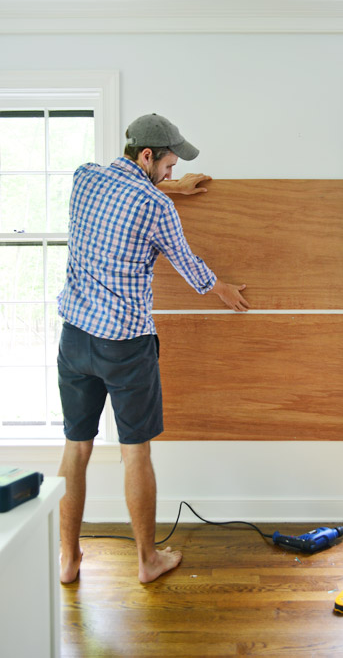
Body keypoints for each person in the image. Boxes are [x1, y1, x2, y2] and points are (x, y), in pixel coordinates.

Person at [56, 113, 249, 584]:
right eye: (167, 163)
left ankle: (67, 561)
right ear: (147, 155)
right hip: (125, 344)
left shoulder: (85, 179)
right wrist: (221, 287)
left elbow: (124, 199)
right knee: (135, 453)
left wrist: (173, 189)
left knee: (76, 449)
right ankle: (147, 561)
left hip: (75, 338)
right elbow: (186, 263)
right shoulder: (156, 208)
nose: (171, 171)